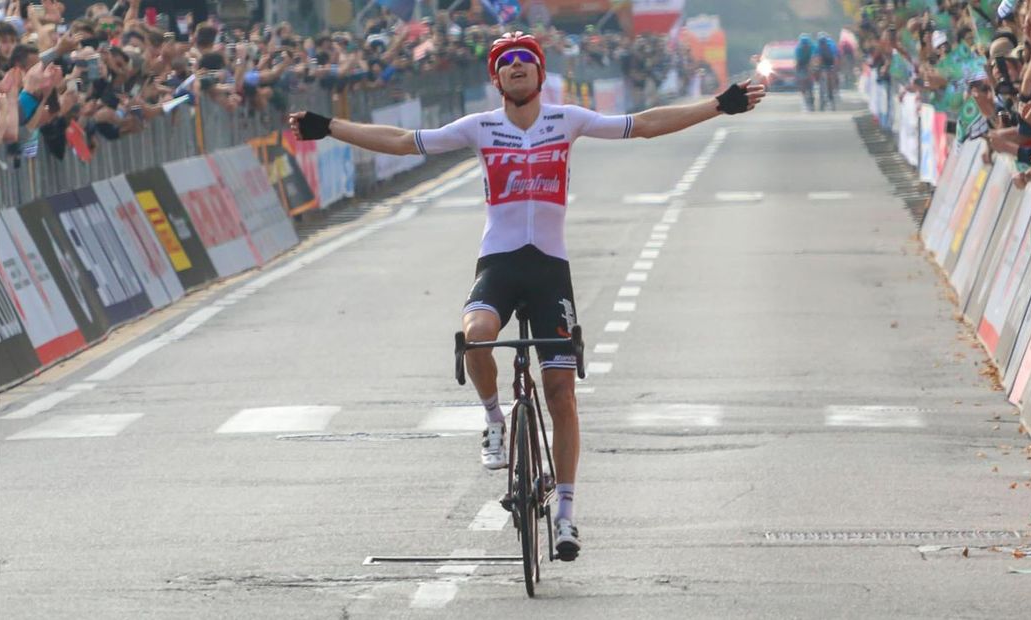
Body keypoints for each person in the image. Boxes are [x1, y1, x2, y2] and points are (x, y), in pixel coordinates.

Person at [287, 31, 765, 562]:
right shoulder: (479, 128)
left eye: (525, 61)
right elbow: (404, 141)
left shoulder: (568, 119)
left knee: (560, 392)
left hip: (549, 271)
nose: (516, 67)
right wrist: (329, 128)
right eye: (506, 63)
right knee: (475, 339)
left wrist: (719, 106)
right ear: (497, 79)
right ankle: (493, 418)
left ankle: (565, 515)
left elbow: (645, 125)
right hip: (499, 263)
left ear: (540, 74)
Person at [816, 31, 839, 110]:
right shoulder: (819, 46)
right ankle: (823, 91)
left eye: (823, 42)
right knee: (821, 73)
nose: (822, 44)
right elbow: (818, 58)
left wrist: (834, 69)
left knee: (830, 77)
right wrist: (817, 68)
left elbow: (835, 58)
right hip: (824, 62)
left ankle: (831, 94)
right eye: (820, 42)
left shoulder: (831, 45)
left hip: (831, 61)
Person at [794, 32, 816, 110]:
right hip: (801, 63)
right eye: (804, 45)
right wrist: (797, 74)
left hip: (810, 62)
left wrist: (811, 69)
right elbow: (797, 63)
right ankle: (803, 93)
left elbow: (814, 58)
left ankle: (811, 87)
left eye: (806, 45)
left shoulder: (813, 46)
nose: (805, 47)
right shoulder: (798, 49)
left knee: (811, 73)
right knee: (802, 79)